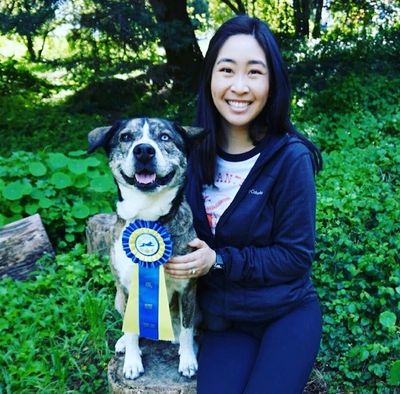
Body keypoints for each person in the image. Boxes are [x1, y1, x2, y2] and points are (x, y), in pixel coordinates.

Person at [164, 14, 323, 394]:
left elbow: (295, 256)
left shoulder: (290, 158)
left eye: (254, 72)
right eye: (227, 70)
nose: (239, 86)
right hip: (224, 321)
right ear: (210, 78)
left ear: (272, 83)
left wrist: (217, 260)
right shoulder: (190, 152)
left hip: (285, 314)